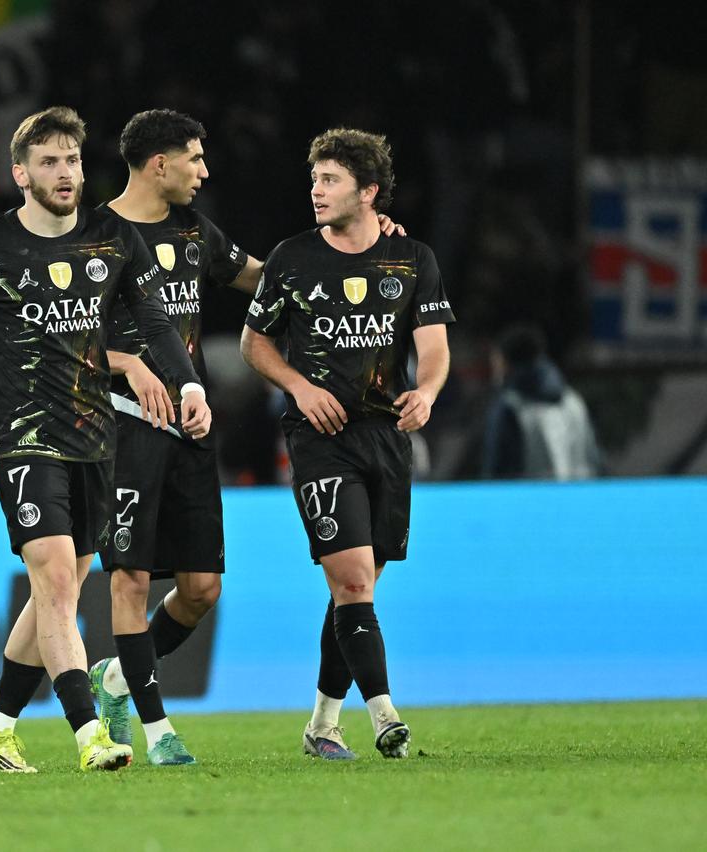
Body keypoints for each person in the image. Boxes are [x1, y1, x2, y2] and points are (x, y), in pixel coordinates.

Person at [87, 110, 407, 766]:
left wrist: (364, 239)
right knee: (131, 579)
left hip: (192, 424)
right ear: (159, 164)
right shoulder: (94, 236)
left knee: (202, 588)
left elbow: (275, 280)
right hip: (118, 426)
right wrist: (129, 364)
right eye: (195, 159)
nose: (205, 172)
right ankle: (156, 731)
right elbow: (56, 338)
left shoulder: (193, 232)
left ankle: (116, 676)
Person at [0, 106, 211, 774]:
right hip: (22, 436)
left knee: (60, 592)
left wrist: (188, 384)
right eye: (48, 161)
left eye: (72, 160)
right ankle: (88, 735)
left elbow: (154, 319)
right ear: (20, 173)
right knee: (53, 575)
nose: (64, 173)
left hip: (95, 437)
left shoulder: (112, 238)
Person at [241, 128, 454, 761]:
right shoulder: (292, 258)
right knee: (354, 582)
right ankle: (385, 715)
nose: (315, 191)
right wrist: (300, 388)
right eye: (314, 179)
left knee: (355, 590)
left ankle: (321, 726)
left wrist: (429, 394)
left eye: (329, 180)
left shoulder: (411, 259)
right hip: (319, 438)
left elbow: (435, 349)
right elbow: (255, 343)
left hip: (386, 437)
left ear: (369, 192)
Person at [483, 323, 601, 480]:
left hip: (528, 501)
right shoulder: (572, 401)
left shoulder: (509, 408)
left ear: (505, 362)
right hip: (578, 499)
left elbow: (497, 473)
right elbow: (593, 458)